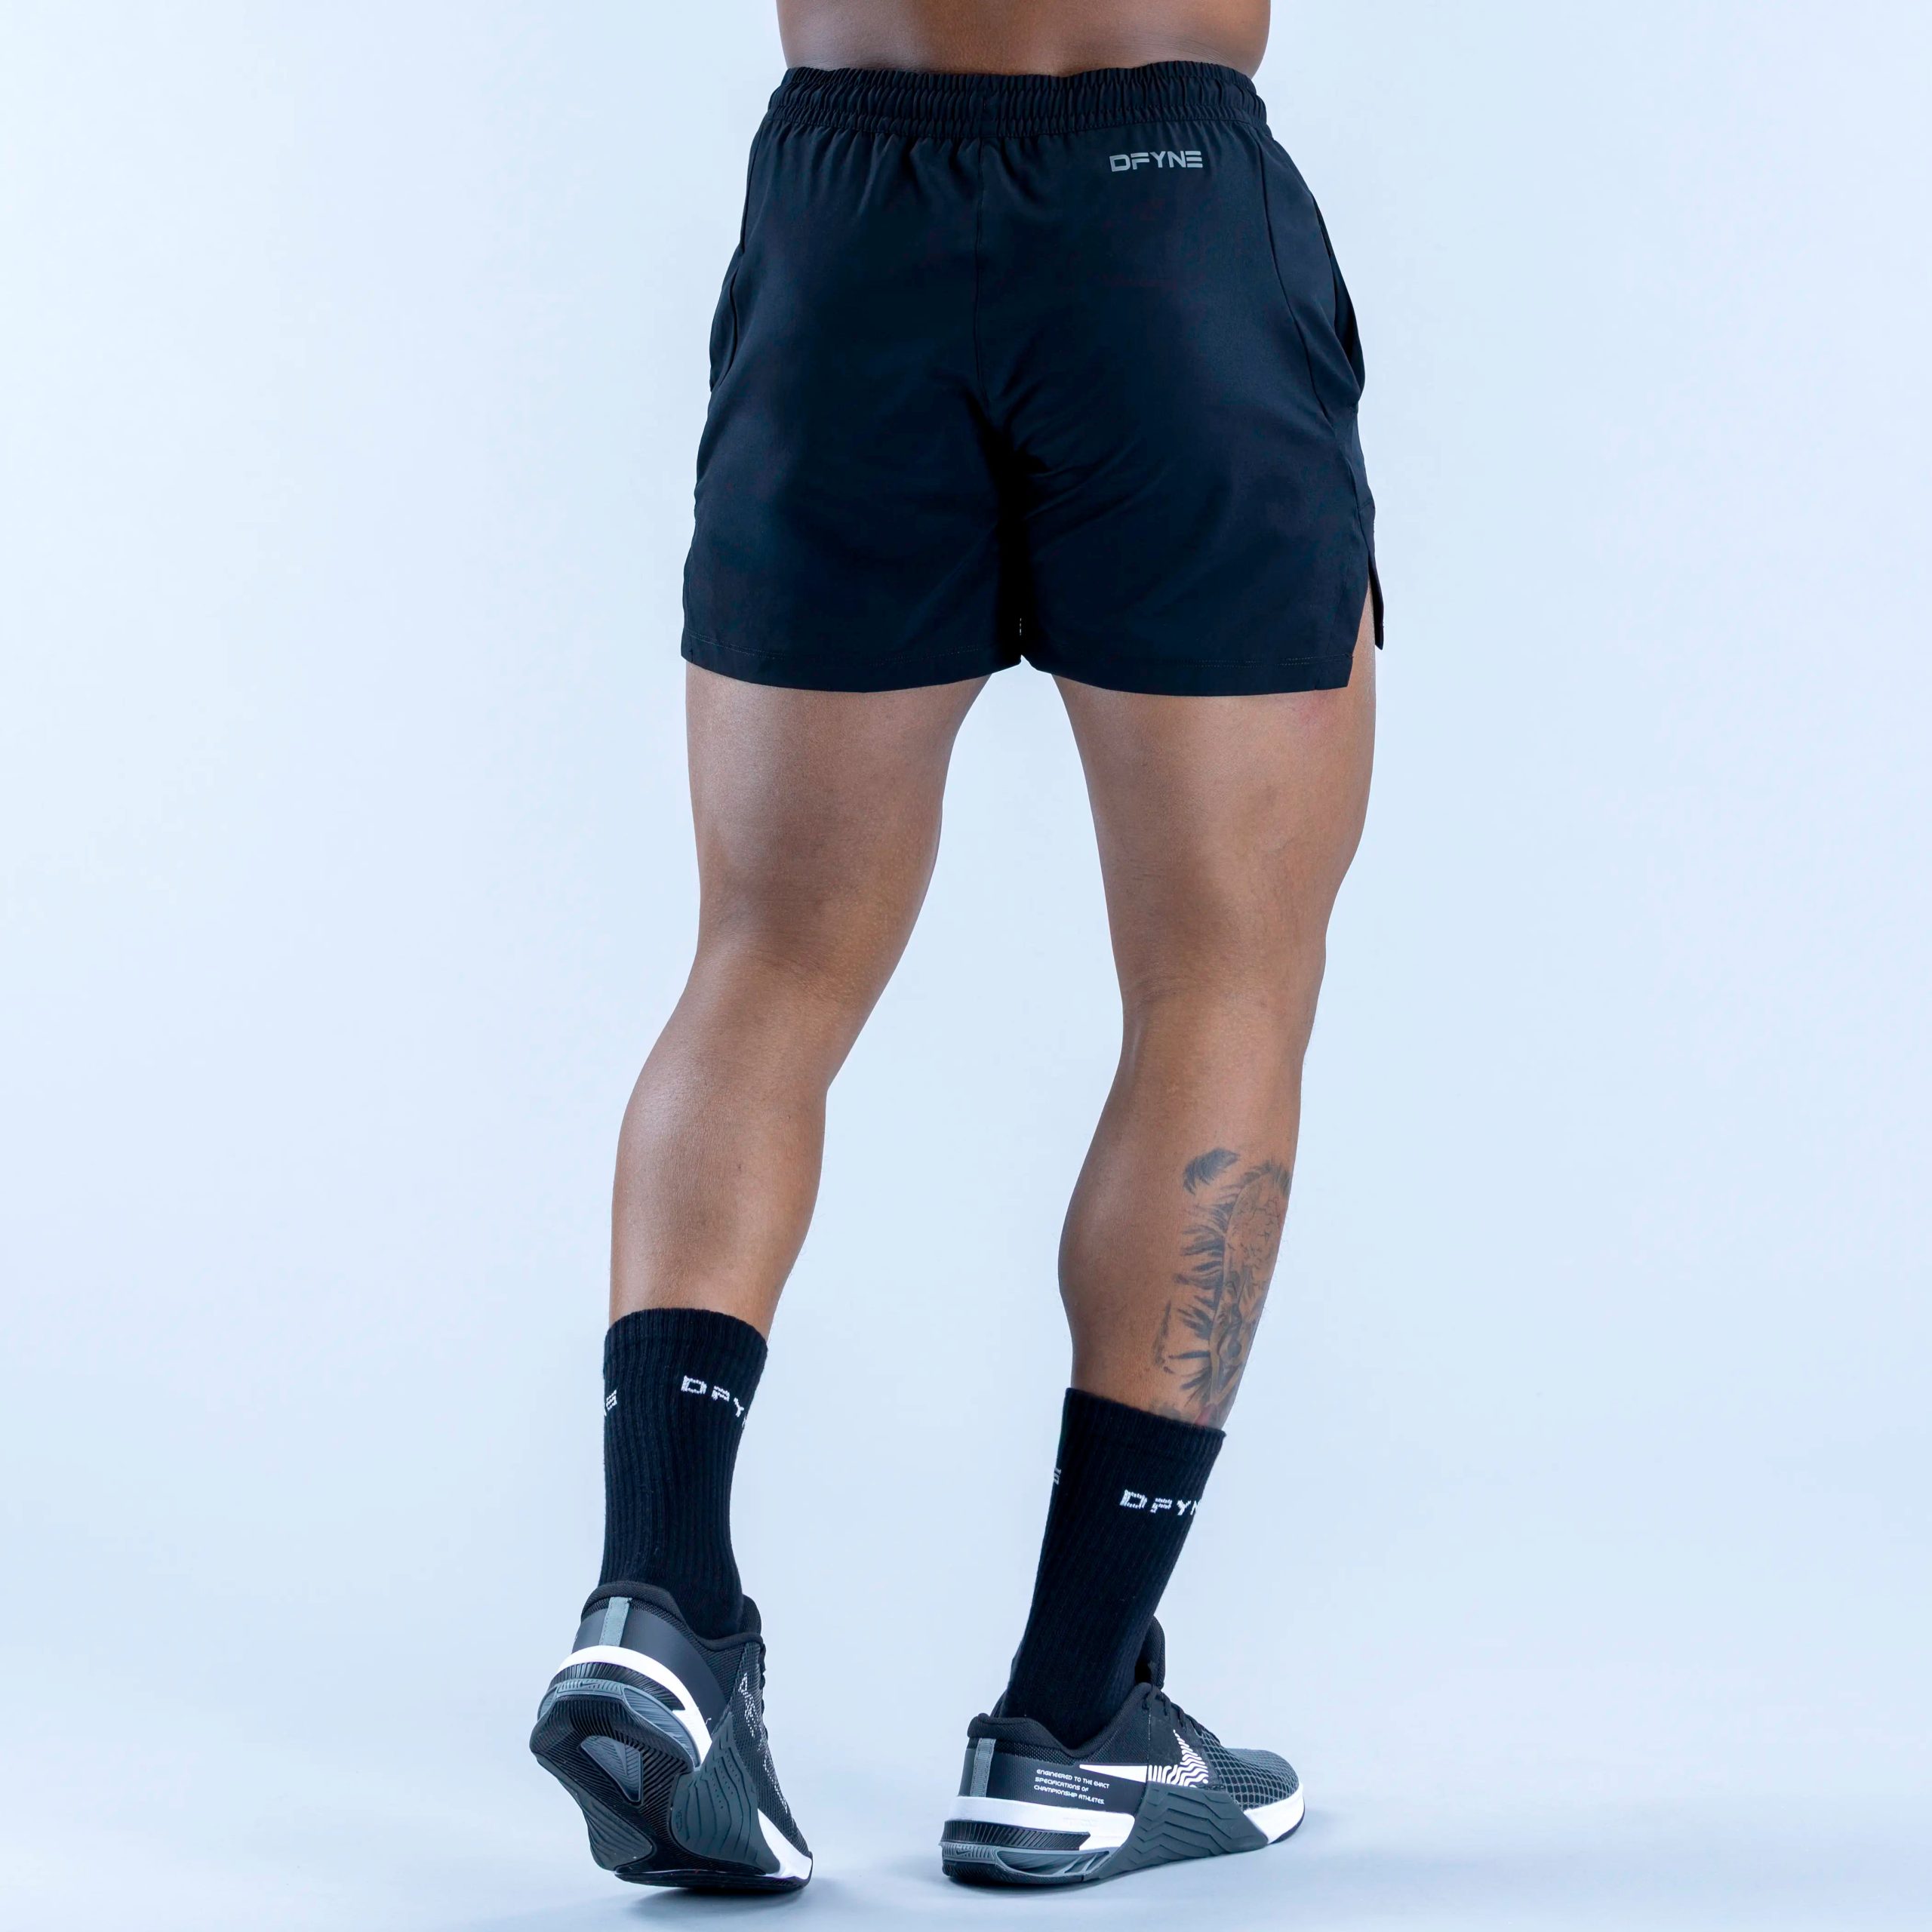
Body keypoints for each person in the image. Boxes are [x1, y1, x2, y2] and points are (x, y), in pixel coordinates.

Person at [529, 0, 1379, 1893]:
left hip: (846, 218)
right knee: (1224, 974)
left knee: (764, 958)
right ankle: (1072, 1719)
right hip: (1161, 211)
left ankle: (659, 1601)